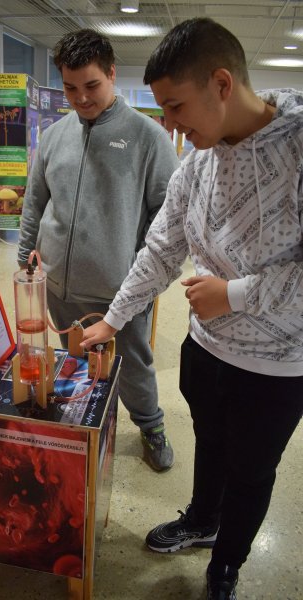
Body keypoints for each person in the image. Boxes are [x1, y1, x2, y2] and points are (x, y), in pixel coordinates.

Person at [80, 17, 303, 600]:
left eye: (176, 106)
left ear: (222, 84)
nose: (170, 124)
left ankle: (226, 564)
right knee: (209, 441)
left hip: (278, 364)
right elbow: (160, 249)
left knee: (252, 470)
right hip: (207, 349)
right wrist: (113, 318)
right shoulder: (198, 162)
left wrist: (234, 294)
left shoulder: (298, 151)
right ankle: (203, 519)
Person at [17, 28, 180, 471]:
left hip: (119, 293)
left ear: (111, 73)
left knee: (134, 367)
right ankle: (83, 424)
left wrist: (139, 276)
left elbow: (169, 218)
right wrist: (26, 257)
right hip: (59, 286)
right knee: (74, 363)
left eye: (91, 85)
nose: (81, 98)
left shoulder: (149, 138)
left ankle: (150, 425)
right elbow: (35, 202)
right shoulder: (54, 136)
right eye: (70, 88)